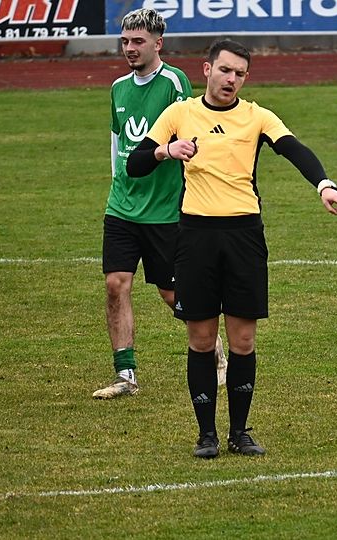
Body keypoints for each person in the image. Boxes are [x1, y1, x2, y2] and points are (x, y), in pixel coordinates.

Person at [127, 39, 337, 458]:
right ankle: (206, 435)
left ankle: (239, 432)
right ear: (207, 69)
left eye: (240, 74)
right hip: (195, 236)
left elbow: (294, 149)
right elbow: (134, 164)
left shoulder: (256, 116)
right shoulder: (179, 114)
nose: (231, 79)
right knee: (201, 339)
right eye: (225, 70)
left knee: (243, 340)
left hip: (244, 236)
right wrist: (165, 150)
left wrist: (324, 185)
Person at [93, 8, 228, 400]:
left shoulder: (174, 82)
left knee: (172, 295)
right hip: (122, 206)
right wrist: (117, 184)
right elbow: (118, 142)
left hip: (164, 209)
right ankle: (126, 375)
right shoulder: (118, 87)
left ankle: (216, 350)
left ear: (158, 43)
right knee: (115, 284)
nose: (130, 48)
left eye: (138, 41)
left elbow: (191, 134)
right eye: (125, 41)